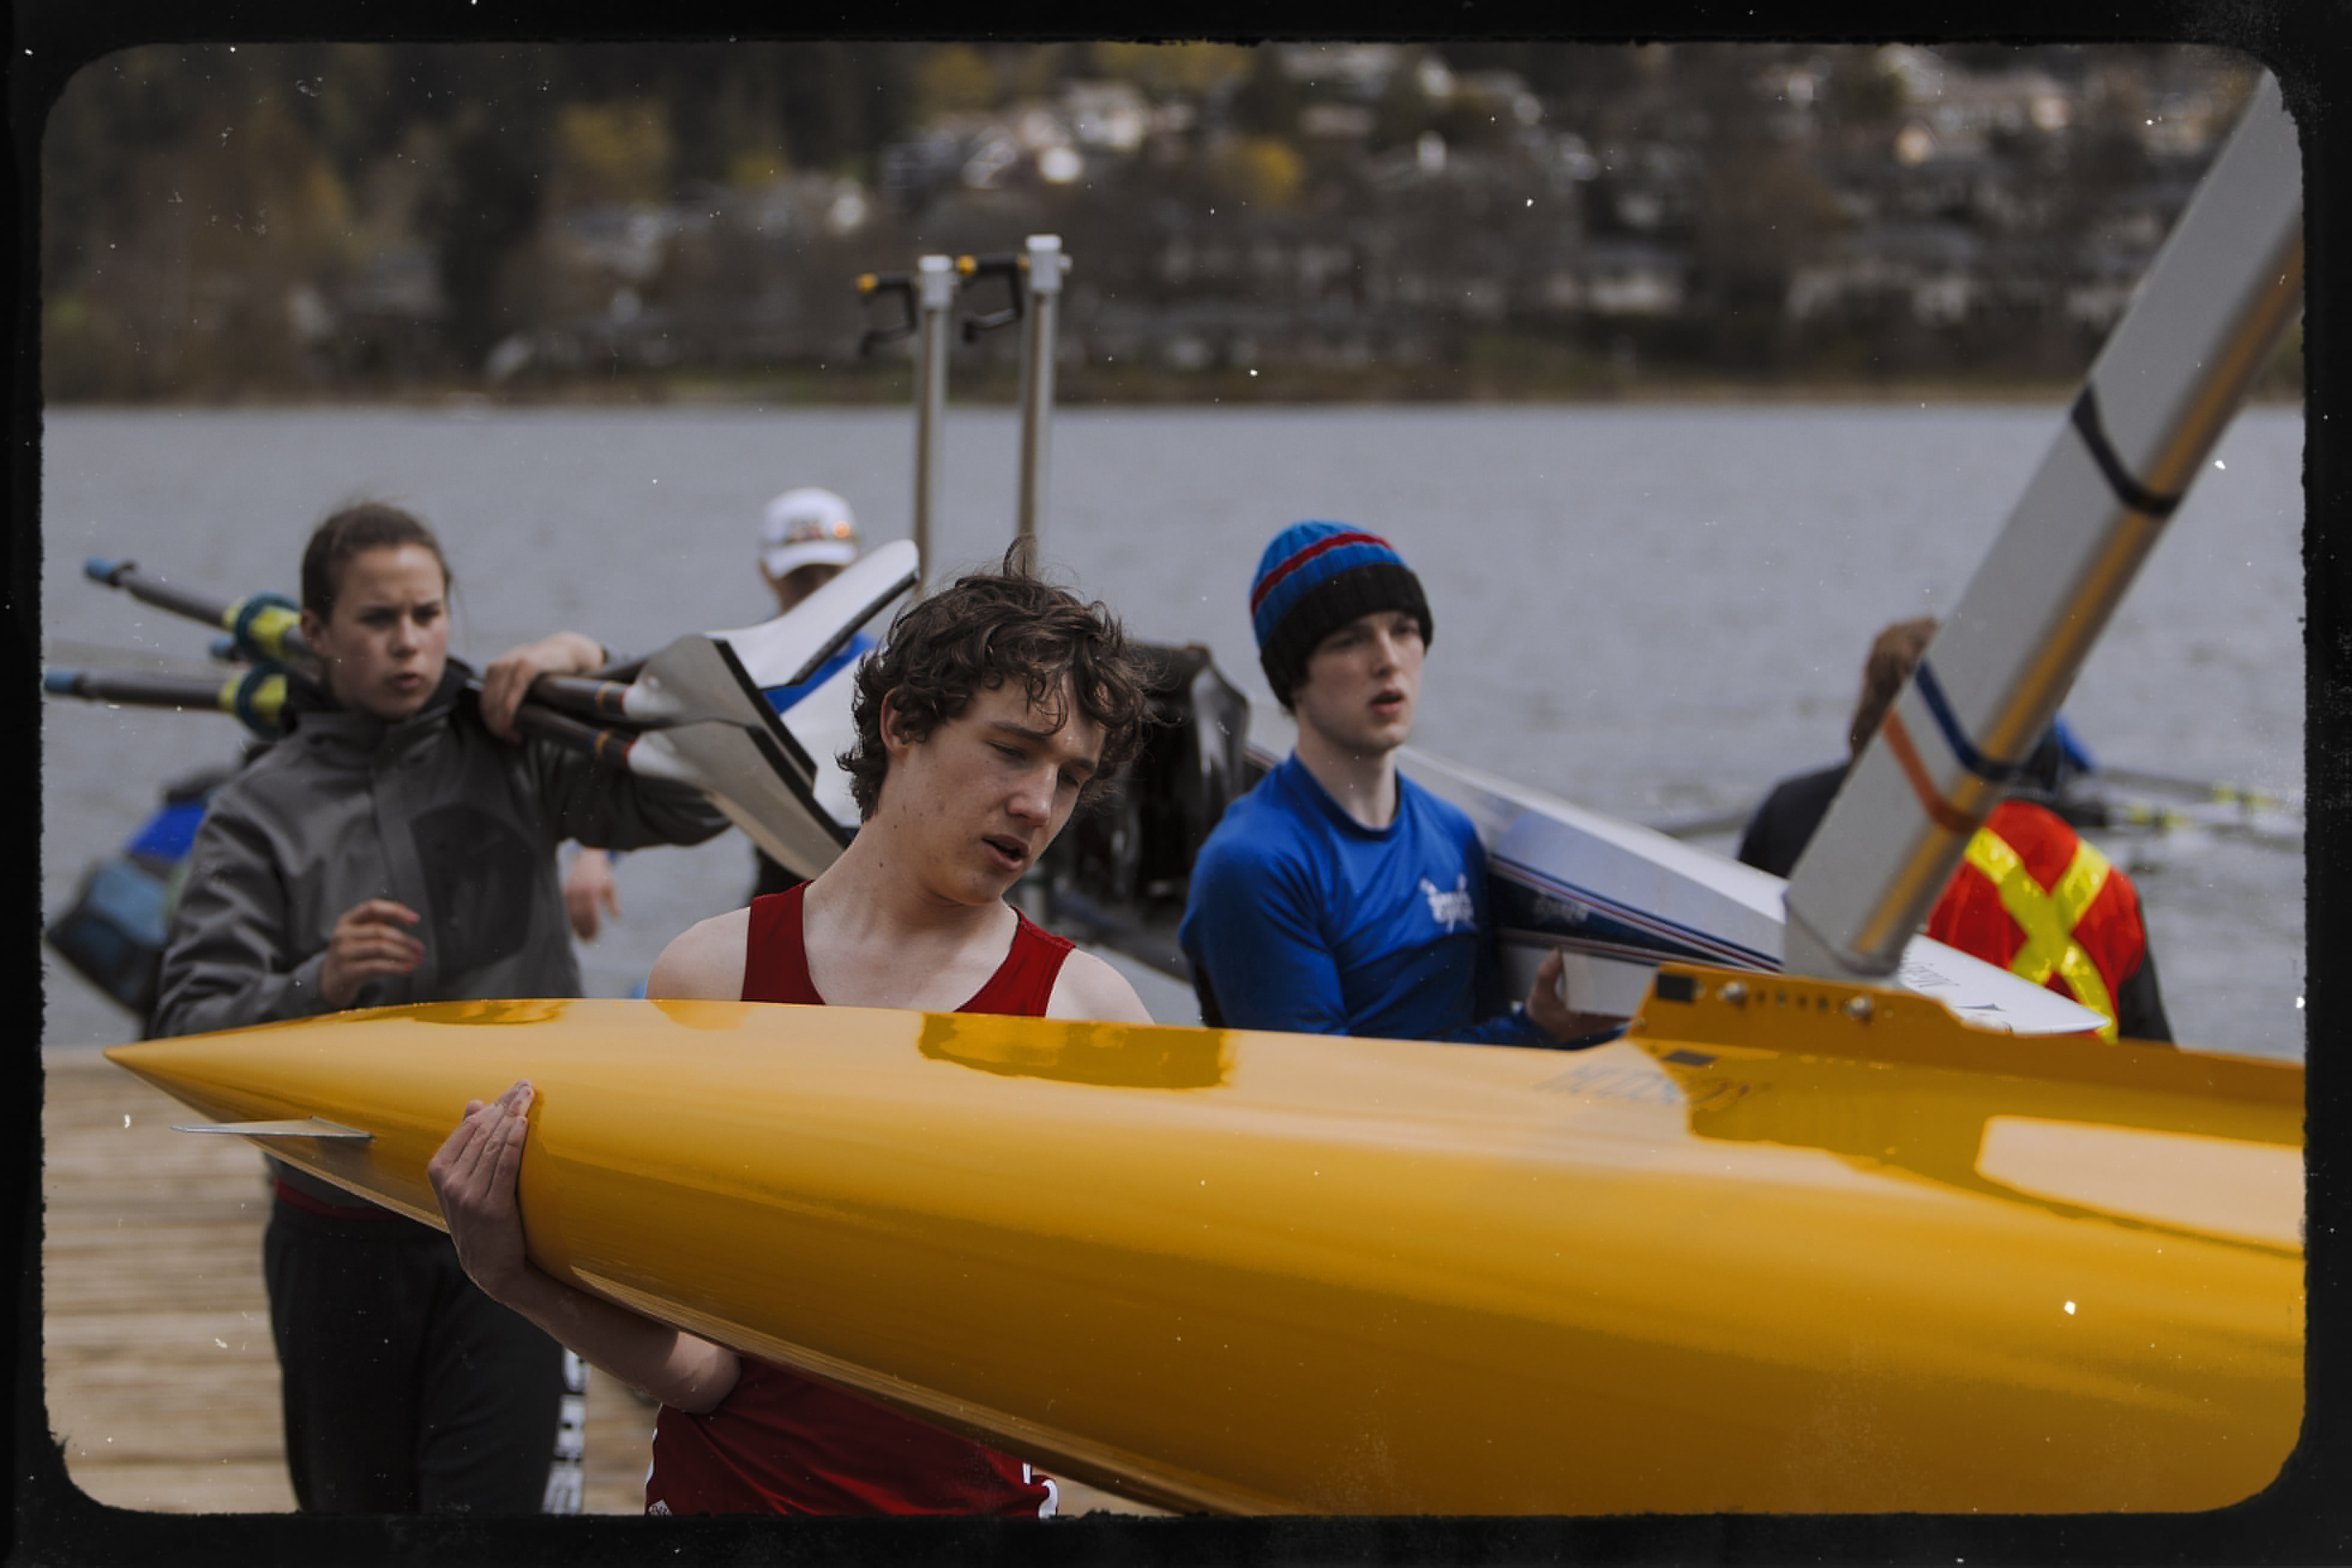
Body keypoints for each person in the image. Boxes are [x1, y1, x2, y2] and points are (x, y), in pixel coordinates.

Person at [428, 549, 1159, 1515]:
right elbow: (706, 1369)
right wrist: (511, 1275)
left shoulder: (1090, 1017)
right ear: (900, 720)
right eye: (1013, 750)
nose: (1038, 804)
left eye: (1071, 777)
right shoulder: (712, 979)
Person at [151, 501, 730, 1513]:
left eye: (427, 612)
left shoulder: (514, 744)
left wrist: (589, 657)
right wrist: (316, 982)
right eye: (378, 619)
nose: (409, 639)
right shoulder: (258, 809)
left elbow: (704, 788)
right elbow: (189, 1036)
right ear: (318, 635)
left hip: (520, 1226)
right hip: (337, 1229)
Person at [1176, 521, 1614, 1046]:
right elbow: (1316, 1101)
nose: (1387, 660)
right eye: (1350, 640)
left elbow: (1484, 1027)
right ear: (1293, 677)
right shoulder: (1255, 863)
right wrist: (1536, 1032)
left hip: (1473, 1120)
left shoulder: (1451, 832)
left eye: (1403, 629)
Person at [1735, 615, 2172, 1043]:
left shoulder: (1801, 817)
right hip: (2062, 1103)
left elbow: (1737, 965)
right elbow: (2153, 1055)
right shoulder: (2102, 881)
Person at [563, 485, 876, 941]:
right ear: (767, 573)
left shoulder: (894, 668)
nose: (819, 590)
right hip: (789, 884)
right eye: (802, 576)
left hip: (889, 891)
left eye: (830, 573)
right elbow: (665, 758)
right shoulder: (740, 676)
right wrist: (594, 852)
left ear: (857, 569)